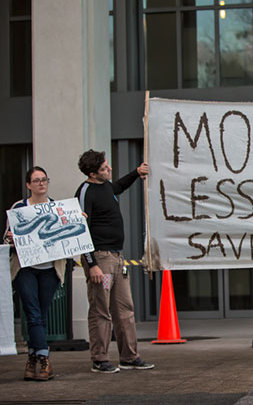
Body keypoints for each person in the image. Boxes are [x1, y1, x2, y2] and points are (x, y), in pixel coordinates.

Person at [75, 149, 154, 373]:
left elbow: (119, 186)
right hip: (101, 259)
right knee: (101, 309)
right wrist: (92, 265)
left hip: (118, 258)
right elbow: (82, 229)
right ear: (92, 173)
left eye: (108, 165)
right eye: (104, 168)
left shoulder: (107, 186)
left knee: (124, 308)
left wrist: (137, 173)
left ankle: (129, 356)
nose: (109, 169)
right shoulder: (85, 191)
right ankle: (100, 358)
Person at [3, 166, 66, 381]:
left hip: (49, 269)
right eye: (37, 180)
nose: (41, 183)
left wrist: (77, 221)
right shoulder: (19, 208)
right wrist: (11, 238)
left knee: (40, 314)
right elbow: (6, 238)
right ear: (28, 185)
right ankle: (44, 360)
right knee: (32, 312)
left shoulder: (57, 208)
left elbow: (66, 235)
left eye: (44, 179)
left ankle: (32, 359)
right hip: (25, 269)